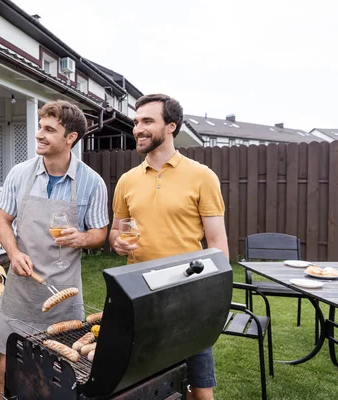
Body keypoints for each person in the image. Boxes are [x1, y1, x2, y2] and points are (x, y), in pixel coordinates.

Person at [0, 100, 109, 399]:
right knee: (8, 367)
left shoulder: (92, 183)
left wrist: (81, 238)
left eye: (49, 129)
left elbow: (100, 233)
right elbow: (3, 221)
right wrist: (13, 253)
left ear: (71, 139)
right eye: (40, 127)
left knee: (59, 375)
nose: (39, 134)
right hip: (21, 291)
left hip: (63, 295)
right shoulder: (20, 173)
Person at [109, 94, 229, 400]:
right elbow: (115, 233)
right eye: (135, 122)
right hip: (139, 297)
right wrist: (117, 242)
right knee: (141, 387)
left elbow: (217, 244)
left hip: (188, 295)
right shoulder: (127, 181)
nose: (137, 129)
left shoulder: (202, 176)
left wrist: (212, 296)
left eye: (147, 121)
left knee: (200, 389)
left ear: (171, 126)